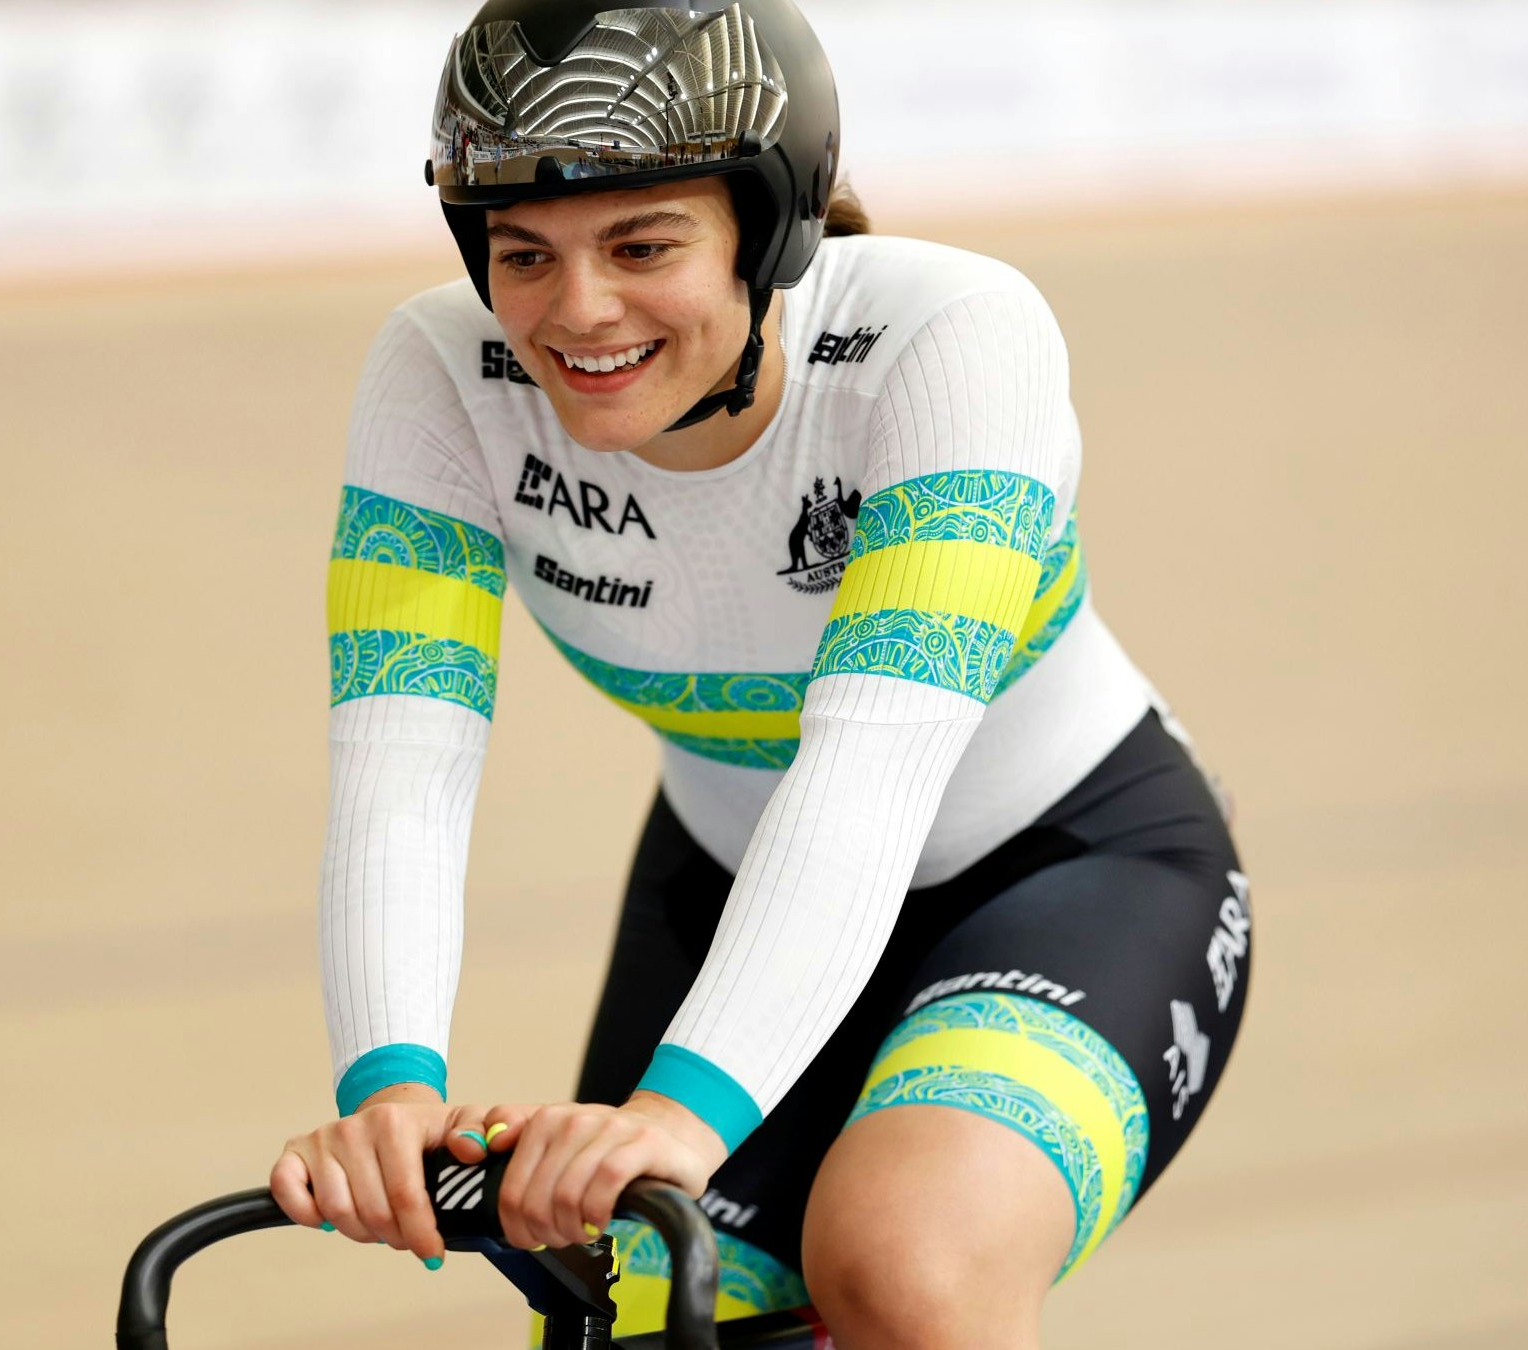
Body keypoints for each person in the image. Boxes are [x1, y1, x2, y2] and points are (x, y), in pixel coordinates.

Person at [268, 2, 1251, 1344]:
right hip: (735, 875)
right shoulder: (441, 370)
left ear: (771, 232)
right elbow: (402, 763)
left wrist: (681, 1116)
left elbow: (869, 768)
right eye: (524, 254)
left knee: (902, 1266)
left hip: (1065, 872)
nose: (579, 310)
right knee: (638, 1299)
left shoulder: (956, 340)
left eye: (643, 243)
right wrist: (390, 1086)